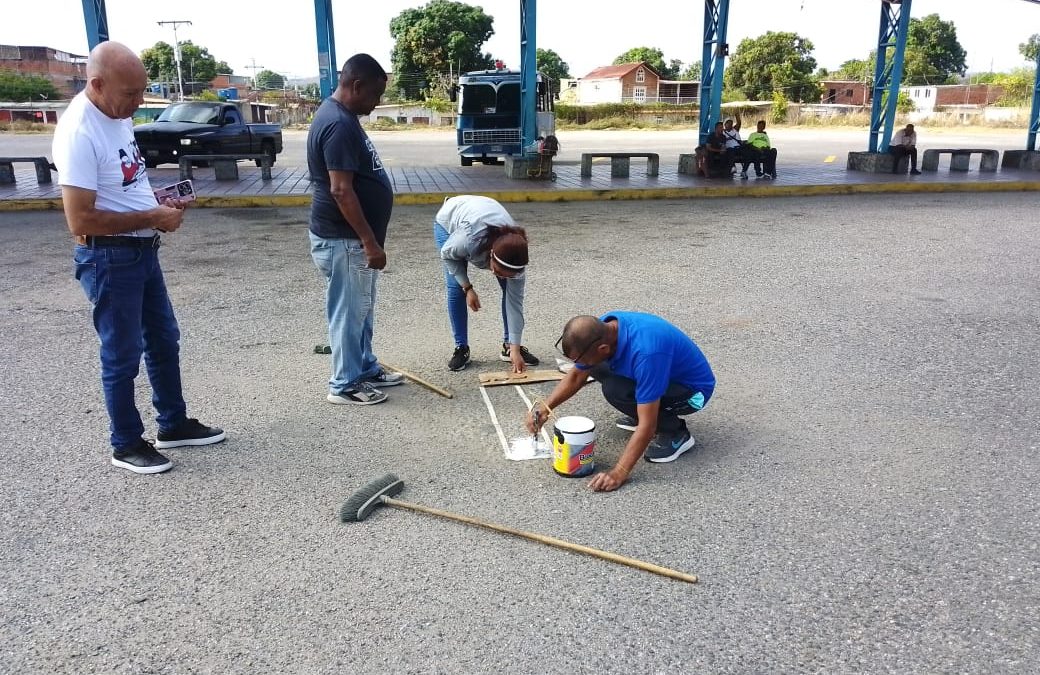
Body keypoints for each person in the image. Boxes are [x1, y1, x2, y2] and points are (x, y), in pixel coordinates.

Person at [52, 42, 224, 475]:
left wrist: (159, 202)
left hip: (142, 249)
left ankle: (173, 423)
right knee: (122, 354)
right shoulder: (79, 131)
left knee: (164, 339)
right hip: (109, 258)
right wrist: (153, 216)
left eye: (142, 91)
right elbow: (80, 218)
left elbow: (124, 184)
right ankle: (126, 442)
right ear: (97, 84)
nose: (138, 102)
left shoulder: (117, 115)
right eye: (130, 93)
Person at [526, 312, 716, 493]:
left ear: (603, 348)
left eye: (578, 358)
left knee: (615, 389)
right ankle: (642, 408)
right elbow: (577, 375)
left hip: (693, 393)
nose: (578, 363)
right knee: (595, 367)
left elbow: (647, 427)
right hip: (661, 373)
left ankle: (674, 432)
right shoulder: (603, 328)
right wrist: (545, 408)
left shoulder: (647, 353)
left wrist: (619, 473)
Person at [307, 53, 404, 406]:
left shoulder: (342, 117)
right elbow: (340, 189)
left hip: (352, 242)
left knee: (360, 308)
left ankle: (364, 366)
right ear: (356, 85)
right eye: (375, 95)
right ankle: (345, 384)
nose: (377, 104)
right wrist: (368, 241)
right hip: (345, 240)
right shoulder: (338, 124)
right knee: (349, 312)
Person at [435, 195, 540, 373]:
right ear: (491, 254)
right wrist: (467, 287)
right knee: (455, 288)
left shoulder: (517, 265)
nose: (494, 274)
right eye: (496, 270)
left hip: (484, 210)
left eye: (503, 274)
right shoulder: (469, 241)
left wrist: (515, 348)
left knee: (509, 291)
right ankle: (461, 347)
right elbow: (447, 255)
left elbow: (515, 304)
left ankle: (509, 347)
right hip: (450, 220)